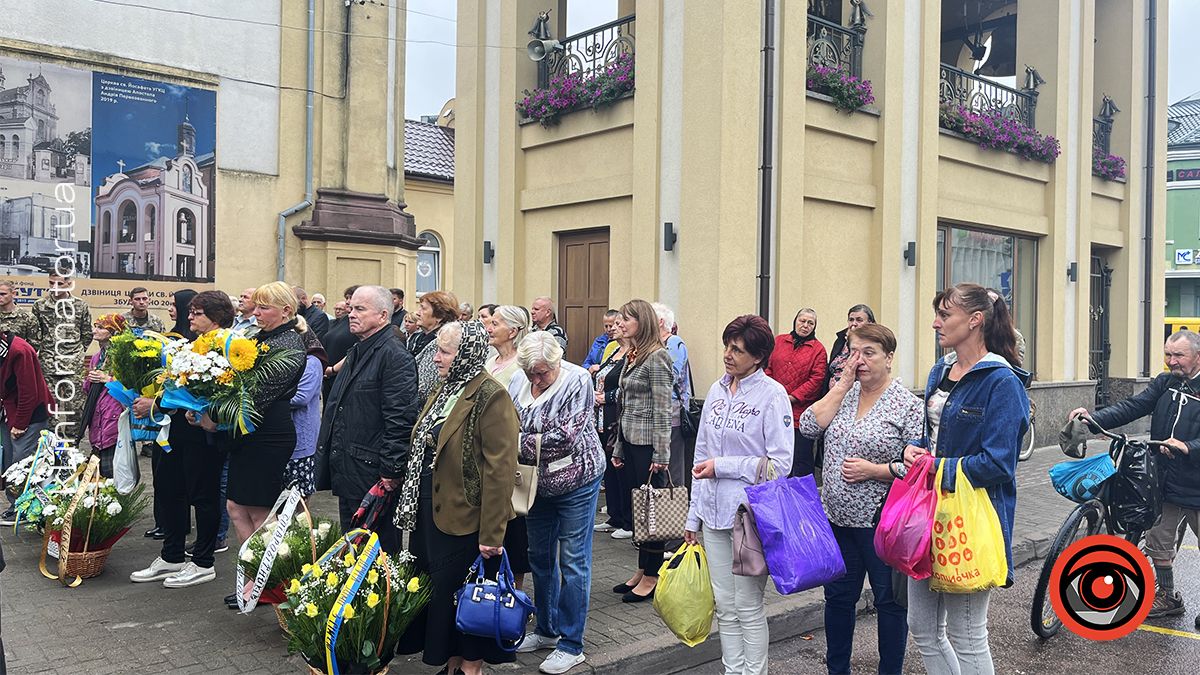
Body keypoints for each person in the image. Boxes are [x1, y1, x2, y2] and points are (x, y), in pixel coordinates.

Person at [903, 283, 1029, 675]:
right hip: (929, 513)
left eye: (945, 315)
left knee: (968, 633)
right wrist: (914, 448)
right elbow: (934, 433)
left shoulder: (1001, 381)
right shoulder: (940, 370)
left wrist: (936, 467)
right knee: (922, 628)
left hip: (973, 518)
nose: (935, 323)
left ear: (974, 321)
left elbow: (998, 464)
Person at [393, 320, 518, 674]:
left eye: (444, 351)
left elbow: (500, 470)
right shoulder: (446, 388)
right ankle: (451, 664)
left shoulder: (491, 396)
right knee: (442, 596)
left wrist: (492, 534)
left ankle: (470, 667)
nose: (436, 358)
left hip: (467, 517)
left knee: (467, 597)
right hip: (432, 512)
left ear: (466, 354)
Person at [800, 323, 922, 675]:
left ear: (889, 358)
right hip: (837, 519)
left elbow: (917, 466)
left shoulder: (907, 406)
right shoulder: (845, 395)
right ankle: (837, 669)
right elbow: (809, 426)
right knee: (838, 599)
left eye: (869, 353)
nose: (860, 360)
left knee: (889, 602)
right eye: (854, 352)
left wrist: (876, 470)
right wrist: (842, 383)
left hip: (881, 522)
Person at [683, 314, 792, 675]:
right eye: (727, 346)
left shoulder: (772, 395)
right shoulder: (715, 389)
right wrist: (692, 517)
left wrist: (724, 466)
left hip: (748, 517)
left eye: (738, 350)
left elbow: (781, 465)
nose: (728, 355)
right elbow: (700, 456)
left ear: (758, 357)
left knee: (747, 607)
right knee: (725, 607)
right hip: (712, 514)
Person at [1069, 329, 1200, 621]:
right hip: (1165, 480)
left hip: (1197, 484)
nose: (1171, 361)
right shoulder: (1165, 383)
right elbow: (1134, 406)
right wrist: (1094, 420)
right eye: (1168, 354)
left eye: (1178, 355)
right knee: (1159, 542)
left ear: (1197, 356)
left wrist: (1187, 447)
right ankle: (1168, 598)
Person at [509, 332, 606, 674]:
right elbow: (504, 423)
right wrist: (518, 440)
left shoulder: (577, 379)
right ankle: (546, 629)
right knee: (538, 556)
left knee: (573, 560)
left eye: (542, 372)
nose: (536, 379)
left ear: (556, 362)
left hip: (577, 479)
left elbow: (565, 439)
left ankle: (571, 643)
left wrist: (513, 442)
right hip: (535, 484)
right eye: (531, 373)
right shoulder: (519, 380)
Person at [130, 291, 238, 589]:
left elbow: (222, 390)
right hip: (177, 429)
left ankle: (203, 561)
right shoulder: (190, 344)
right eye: (190, 311)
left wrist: (159, 404)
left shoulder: (228, 344)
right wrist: (154, 400)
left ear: (216, 316)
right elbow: (176, 384)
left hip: (203, 432)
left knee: (203, 495)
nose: (190, 317)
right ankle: (172, 554)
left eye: (198, 313)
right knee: (169, 489)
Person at [210, 282, 306, 606]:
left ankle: (273, 583)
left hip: (268, 435)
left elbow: (257, 394)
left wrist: (215, 410)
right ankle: (255, 576)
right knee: (236, 507)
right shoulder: (260, 338)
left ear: (286, 311)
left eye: (264, 307)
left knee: (264, 514)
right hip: (247, 432)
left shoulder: (291, 344)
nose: (256, 312)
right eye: (257, 306)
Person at [316, 286, 418, 554]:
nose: (351, 314)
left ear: (383, 315)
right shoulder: (360, 349)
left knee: (376, 552)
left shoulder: (394, 356)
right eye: (351, 308)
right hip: (350, 465)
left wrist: (390, 471)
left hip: (372, 471)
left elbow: (400, 417)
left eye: (360, 309)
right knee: (352, 546)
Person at [610, 299, 674, 602]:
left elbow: (663, 409)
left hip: (650, 445)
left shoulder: (658, 357)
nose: (622, 323)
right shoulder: (633, 355)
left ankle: (652, 574)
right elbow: (626, 406)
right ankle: (641, 569)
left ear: (643, 322)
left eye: (628, 318)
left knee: (653, 512)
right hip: (631, 440)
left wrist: (662, 455)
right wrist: (620, 446)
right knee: (639, 510)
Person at [483, 305, 532, 588]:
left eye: (496, 323)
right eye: (489, 322)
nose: (489, 327)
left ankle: (515, 589)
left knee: (513, 525)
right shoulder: (490, 361)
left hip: (510, 450)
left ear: (513, 331)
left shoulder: (520, 366)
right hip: (487, 450)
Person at [765, 308, 828, 477]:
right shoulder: (778, 341)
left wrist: (792, 398)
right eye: (802, 321)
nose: (805, 325)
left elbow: (816, 380)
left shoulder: (818, 350)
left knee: (800, 460)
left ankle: (801, 501)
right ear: (795, 321)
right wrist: (776, 395)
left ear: (814, 327)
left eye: (810, 323)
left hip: (800, 415)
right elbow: (767, 368)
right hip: (774, 408)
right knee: (774, 458)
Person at [0, 332, 53, 525]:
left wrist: (20, 424)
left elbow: (29, 392)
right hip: (9, 411)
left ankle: (26, 510)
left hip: (29, 415)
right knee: (8, 462)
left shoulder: (19, 351)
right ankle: (16, 505)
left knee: (22, 463)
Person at [31, 270, 92, 436]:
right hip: (49, 364)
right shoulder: (40, 306)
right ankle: (52, 444)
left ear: (68, 283)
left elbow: (86, 334)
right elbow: (37, 334)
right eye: (51, 283)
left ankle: (73, 444)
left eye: (59, 284)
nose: (54, 287)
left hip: (73, 365)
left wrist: (76, 354)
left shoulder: (80, 306)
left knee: (76, 407)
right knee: (51, 407)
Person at [592, 316, 633, 539]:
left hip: (615, 416)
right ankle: (614, 515)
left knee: (621, 470)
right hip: (600, 418)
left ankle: (628, 520)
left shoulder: (632, 355)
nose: (614, 328)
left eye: (619, 325)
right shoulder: (612, 352)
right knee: (608, 467)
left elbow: (628, 388)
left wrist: (606, 397)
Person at [79, 314, 128, 477]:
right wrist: (90, 380)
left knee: (113, 469)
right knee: (98, 470)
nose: (94, 331)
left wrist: (108, 379)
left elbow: (131, 387)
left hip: (113, 412)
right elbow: (89, 389)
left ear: (113, 332)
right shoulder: (96, 357)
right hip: (97, 412)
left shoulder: (123, 356)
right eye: (95, 326)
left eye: (100, 327)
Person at [652, 302, 691, 488]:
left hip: (672, 412)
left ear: (660, 321)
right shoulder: (656, 345)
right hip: (661, 411)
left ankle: (675, 511)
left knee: (673, 465)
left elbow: (671, 376)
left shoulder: (673, 342)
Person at [288, 323, 327, 499]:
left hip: (301, 439)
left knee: (299, 500)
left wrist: (267, 398)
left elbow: (301, 397)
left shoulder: (312, 363)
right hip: (283, 437)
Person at [410, 290, 460, 409]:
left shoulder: (441, 344)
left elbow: (425, 389)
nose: (418, 313)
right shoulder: (419, 337)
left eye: (423, 308)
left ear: (439, 316)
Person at [826, 304, 876, 388]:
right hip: (834, 394)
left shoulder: (873, 343)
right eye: (851, 320)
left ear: (870, 323)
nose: (854, 323)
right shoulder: (841, 340)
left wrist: (852, 341)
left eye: (859, 320)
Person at [485, 305, 529, 388]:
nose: (488, 329)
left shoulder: (522, 365)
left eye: (494, 324)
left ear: (512, 332)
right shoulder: (490, 362)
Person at [0, 281, 38, 346]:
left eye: (3, 294)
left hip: (17, 354)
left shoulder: (27, 317)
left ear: (13, 294)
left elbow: (34, 345)